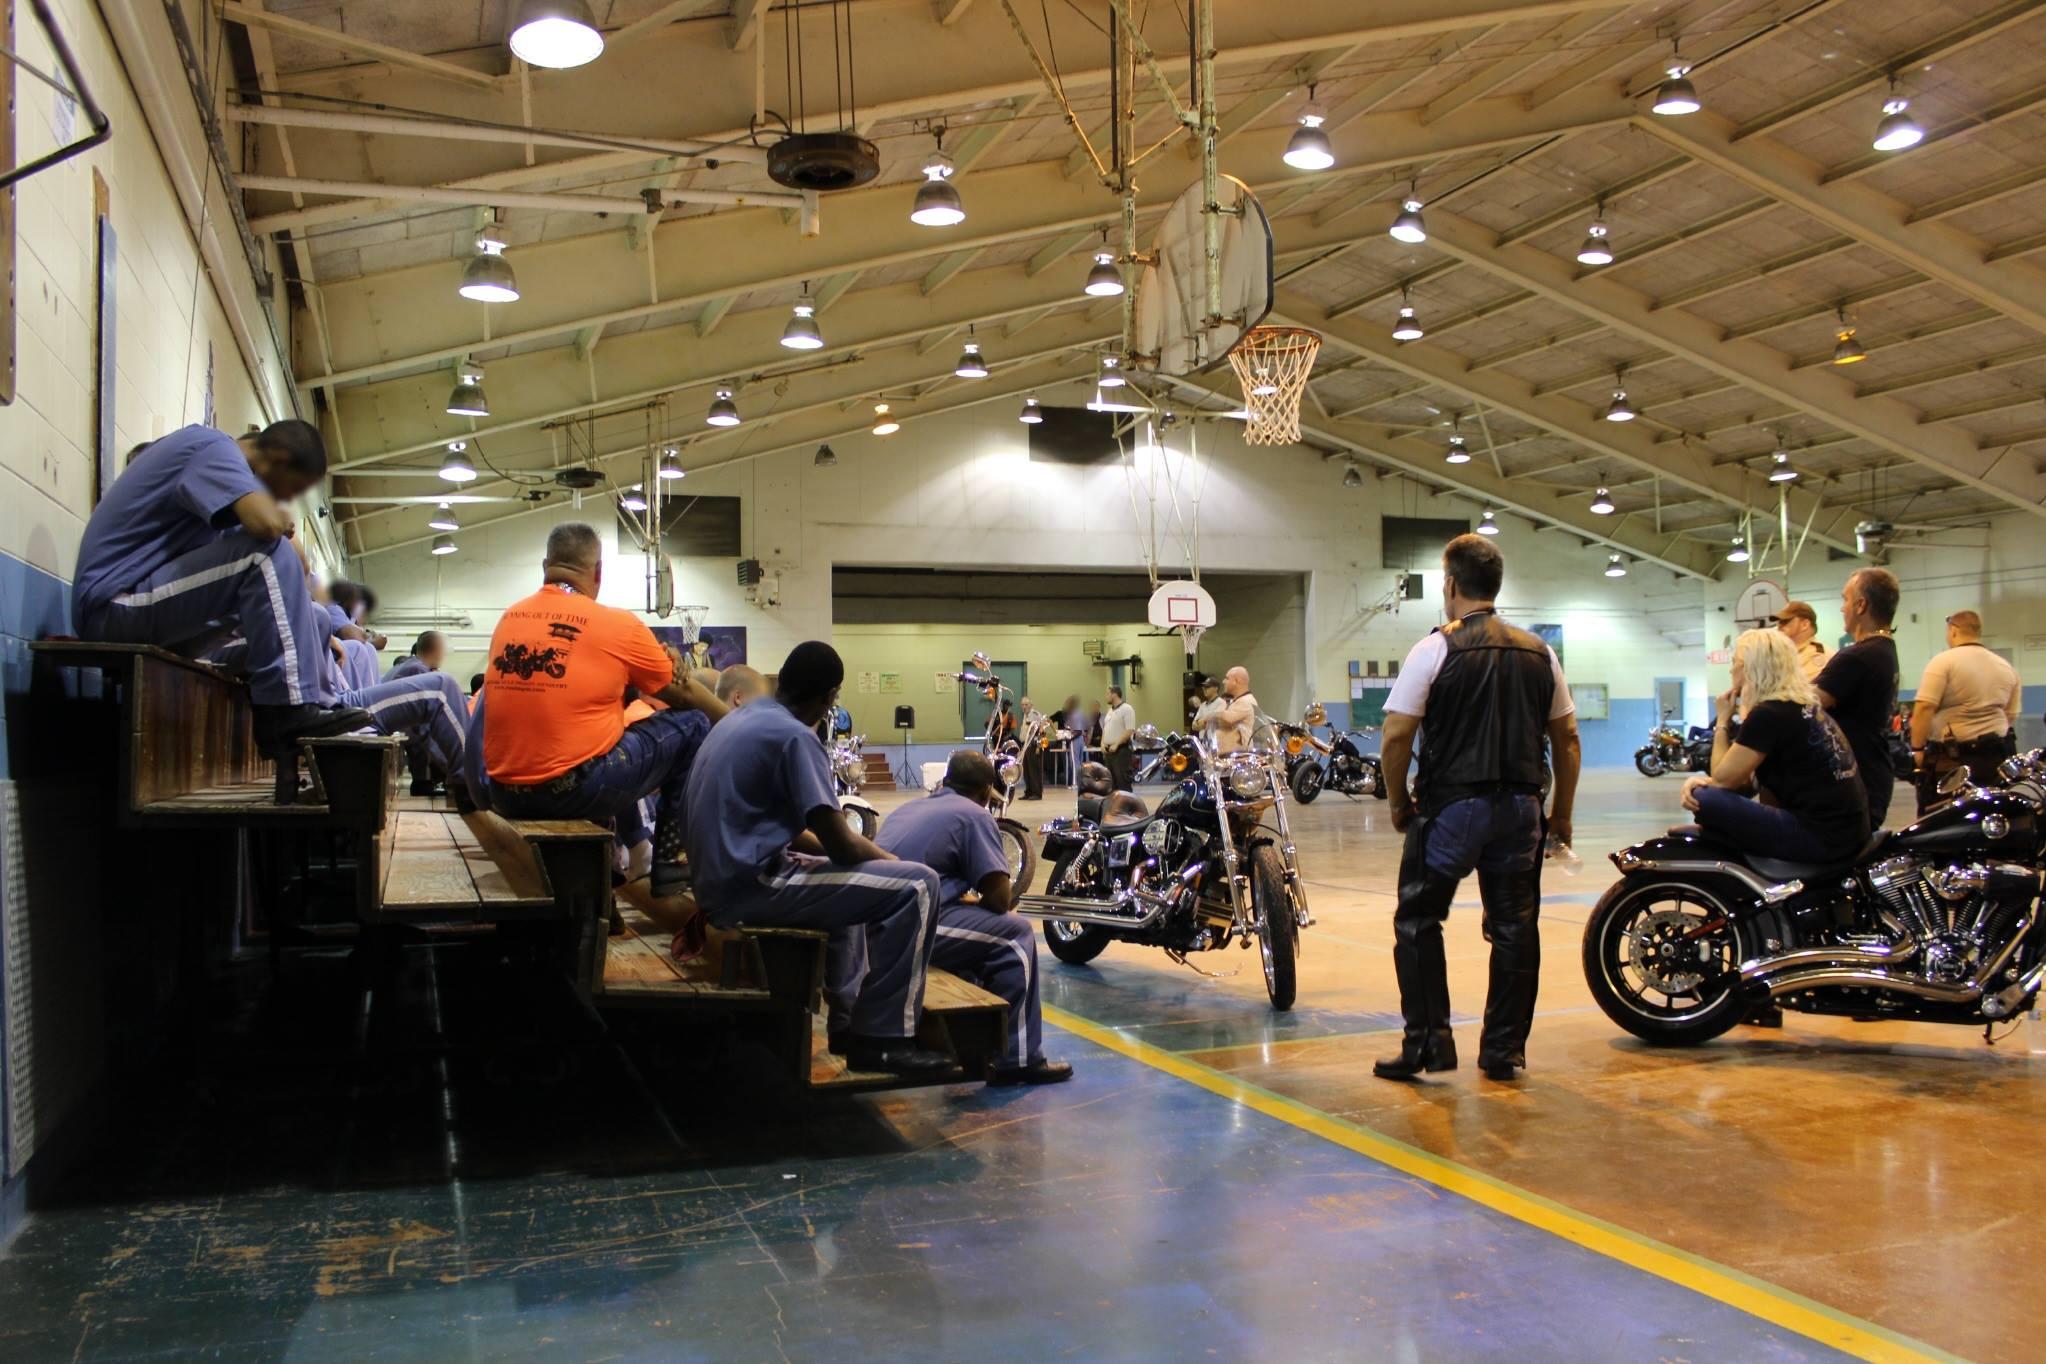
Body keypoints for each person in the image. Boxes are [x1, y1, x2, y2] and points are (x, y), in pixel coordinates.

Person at [682, 642, 951, 1077]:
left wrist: (877, 866)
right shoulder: (794, 736)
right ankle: (884, 1040)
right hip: (750, 888)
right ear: (830, 698)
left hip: (720, 882)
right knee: (918, 886)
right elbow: (841, 843)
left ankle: (846, 1024)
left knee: (856, 883)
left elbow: (796, 834)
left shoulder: (743, 720)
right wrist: (891, 861)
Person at [1376, 533, 1581, 1084]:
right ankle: (1504, 1050)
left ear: (1450, 585)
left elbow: (1396, 736)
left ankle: (1428, 1044)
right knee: (1515, 927)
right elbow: (1567, 738)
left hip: (1453, 809)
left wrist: (1398, 802)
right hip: (1521, 811)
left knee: (1419, 920)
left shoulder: (1434, 648)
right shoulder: (1540, 652)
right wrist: (1560, 814)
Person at [71, 421, 368, 751]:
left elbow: (299, 569)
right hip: (112, 604)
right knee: (265, 554)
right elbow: (269, 528)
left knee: (304, 615)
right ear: (279, 459)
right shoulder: (211, 447)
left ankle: (316, 708)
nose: (287, 499)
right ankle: (286, 713)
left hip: (143, 608)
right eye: (293, 489)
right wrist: (277, 518)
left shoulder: (225, 499)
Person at [474, 523, 727, 897]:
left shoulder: (510, 618)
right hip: (567, 791)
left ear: (546, 567)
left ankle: (610, 873)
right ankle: (672, 861)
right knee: (692, 725)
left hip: (504, 792)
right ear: (598, 572)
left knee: (596, 736)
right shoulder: (616, 623)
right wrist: (737, 720)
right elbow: (685, 693)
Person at [874, 751, 1072, 1085]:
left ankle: (971, 1043)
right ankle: (1019, 1060)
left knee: (978, 933)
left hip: (875, 923)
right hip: (912, 925)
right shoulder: (974, 815)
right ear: (984, 793)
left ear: (945, 781)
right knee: (1015, 936)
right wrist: (979, 899)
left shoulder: (909, 808)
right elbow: (999, 900)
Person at [1681, 630, 1869, 862]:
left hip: (1822, 837)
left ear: (1750, 668)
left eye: (1735, 662)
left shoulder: (1769, 713)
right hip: (1847, 832)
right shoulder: (1801, 706)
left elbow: (1722, 780)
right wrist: (1709, 782)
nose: (1731, 670)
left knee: (1705, 798)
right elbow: (1745, 783)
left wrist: (1722, 720)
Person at [1815, 568, 1902, 831]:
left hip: (1855, 785)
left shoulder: (1858, 657)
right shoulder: (1885, 650)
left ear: (1861, 605)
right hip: (1873, 777)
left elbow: (1801, 707)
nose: (1842, 608)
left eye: (1845, 599)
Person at [1911, 610, 2021, 812]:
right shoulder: (2006, 666)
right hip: (1996, 756)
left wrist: (1917, 749)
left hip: (1953, 761)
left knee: (1944, 816)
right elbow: (2011, 714)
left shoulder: (1943, 662)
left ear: (1953, 630)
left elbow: (1924, 707)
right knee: (1991, 812)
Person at [1771, 601, 1827, 681]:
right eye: (1779, 622)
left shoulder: (1816, 655)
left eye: (1785, 621)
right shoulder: (1782, 652)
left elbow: (1807, 687)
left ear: (1805, 625)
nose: (1779, 626)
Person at [1211, 666, 1260, 753]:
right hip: (1230, 754)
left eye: (1227, 678)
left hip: (1240, 755)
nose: (1223, 681)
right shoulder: (1238, 700)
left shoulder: (1246, 701)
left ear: (1236, 681)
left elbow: (1227, 719)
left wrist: (1213, 713)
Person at [1101, 686, 1137, 792]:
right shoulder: (1110, 711)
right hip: (1109, 752)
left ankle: (1126, 802)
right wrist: (1102, 743)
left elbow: (1129, 730)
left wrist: (1116, 744)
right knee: (1111, 784)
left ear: (1114, 694)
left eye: (1108, 694)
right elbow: (1105, 728)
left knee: (1123, 783)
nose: (1106, 696)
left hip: (1121, 751)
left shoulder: (1127, 709)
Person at [1055, 693, 1086, 789]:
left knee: (1074, 762)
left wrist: (1068, 738)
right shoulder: (1080, 713)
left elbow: (1077, 731)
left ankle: (1075, 783)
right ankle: (1080, 782)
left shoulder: (1073, 714)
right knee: (1079, 762)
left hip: (1075, 740)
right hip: (1081, 740)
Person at [1018, 696, 1045, 800]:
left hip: (1033, 746)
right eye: (1022, 705)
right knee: (1027, 771)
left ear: (1031, 705)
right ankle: (1028, 792)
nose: (1024, 707)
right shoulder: (1025, 715)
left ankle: (1037, 793)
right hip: (1025, 746)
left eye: (1026, 704)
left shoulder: (1035, 715)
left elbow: (1041, 731)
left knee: (1034, 771)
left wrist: (1038, 747)